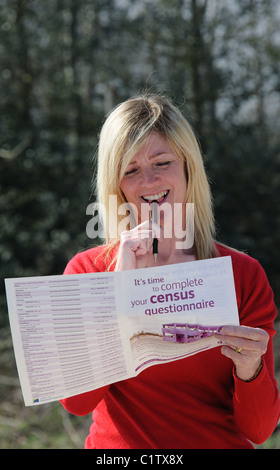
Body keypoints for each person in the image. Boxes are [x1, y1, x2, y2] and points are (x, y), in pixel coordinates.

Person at [60, 95, 280, 449]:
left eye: (162, 162)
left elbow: (259, 430)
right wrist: (120, 294)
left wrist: (250, 368)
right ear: (116, 185)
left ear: (188, 167)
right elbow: (76, 402)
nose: (149, 180)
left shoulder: (242, 275)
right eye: (130, 170)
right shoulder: (88, 271)